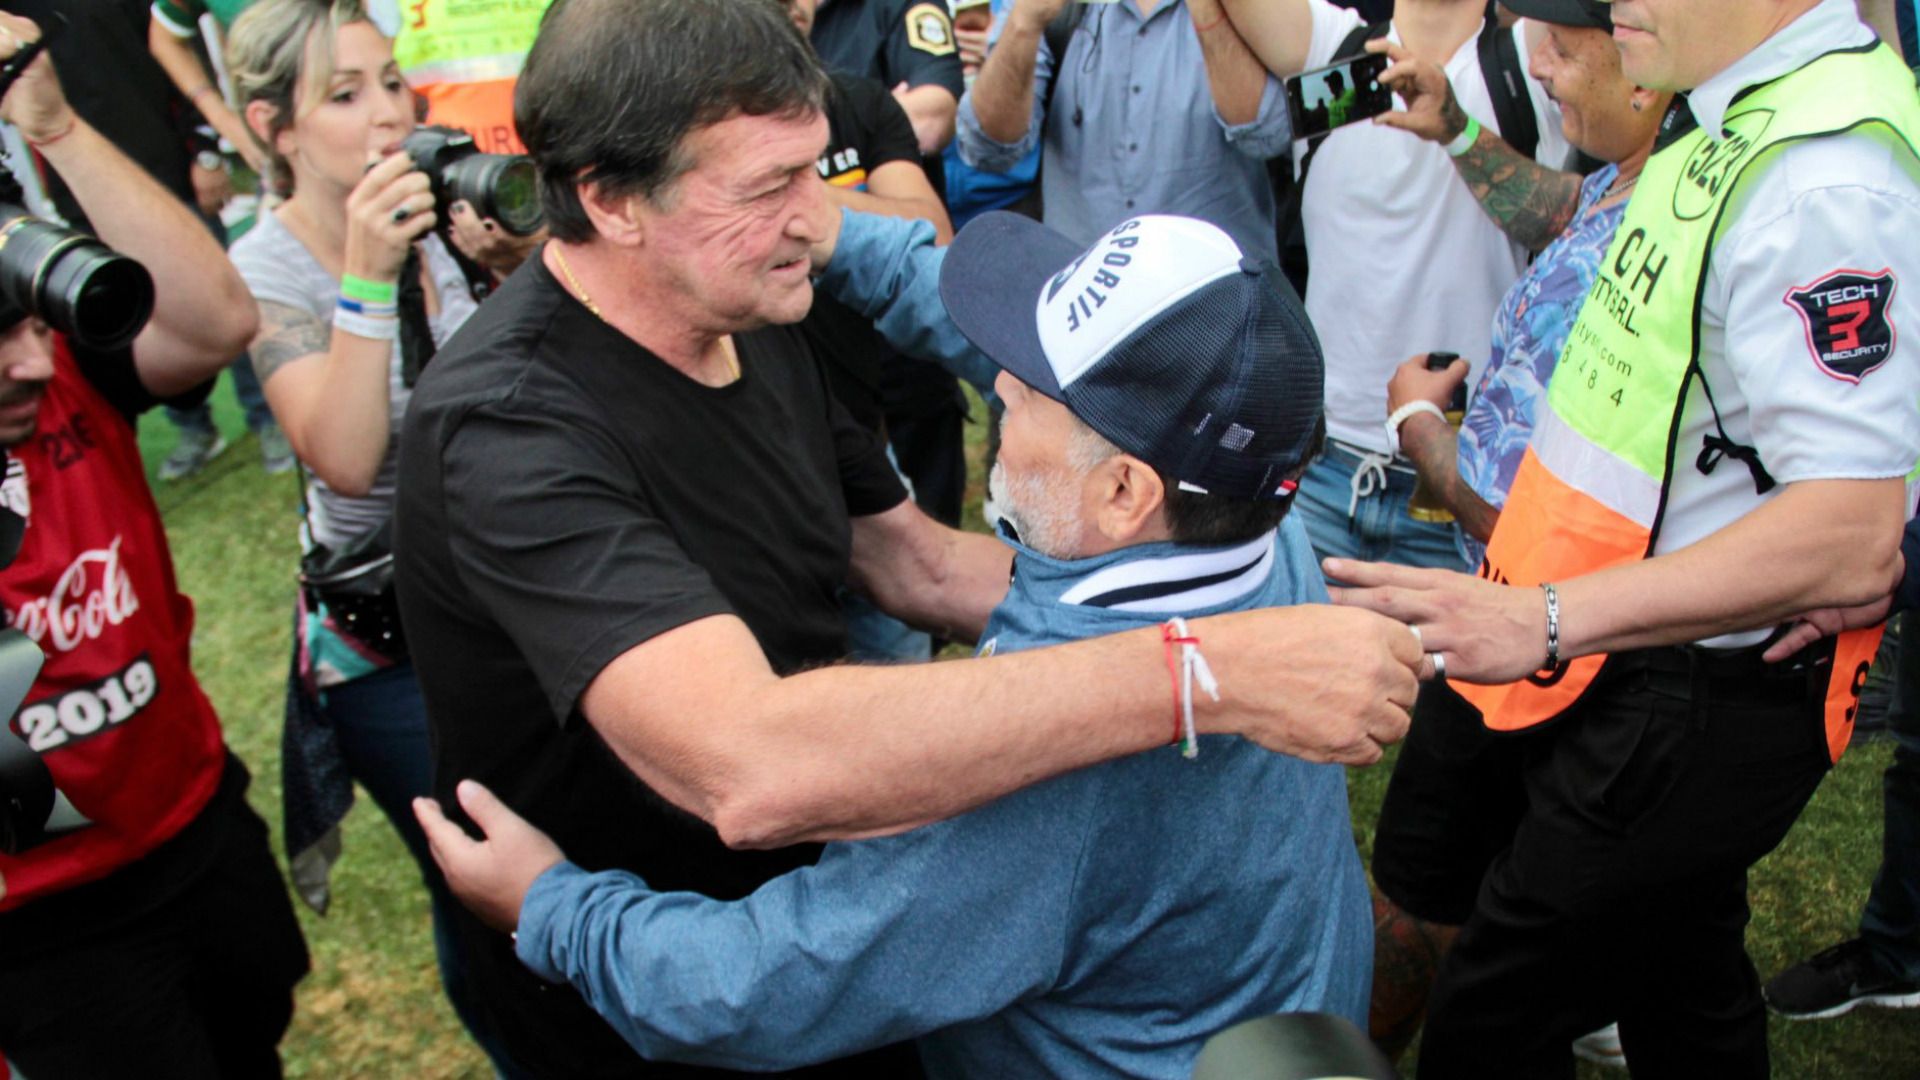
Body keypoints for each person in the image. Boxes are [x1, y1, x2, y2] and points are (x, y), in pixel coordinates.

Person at [391, 1, 1421, 1075]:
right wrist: (1207, 670)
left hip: (734, 949)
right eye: (769, 185)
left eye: (811, 172)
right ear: (609, 200)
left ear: (1124, 492)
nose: (814, 216)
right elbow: (819, 676)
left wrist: (554, 909)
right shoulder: (1258, 531)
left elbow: (761, 979)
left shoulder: (1034, 795)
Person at [1327, 0, 1920, 1074]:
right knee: (1678, 973)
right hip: (1631, 642)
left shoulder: (1823, 171)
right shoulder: (1736, 110)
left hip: (1684, 678)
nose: (1604, 11)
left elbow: (1848, 531)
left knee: (1492, 1013)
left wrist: (1546, 617)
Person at [1327, 0, 1667, 1064]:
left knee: (1435, 898)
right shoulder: (1645, 182)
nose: (1544, 68)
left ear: (1645, 60)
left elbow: (1525, 510)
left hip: (1528, 628)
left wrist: (1418, 427)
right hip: (1548, 624)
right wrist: (1458, 131)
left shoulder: (1677, 219)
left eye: (1564, 48)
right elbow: (1563, 208)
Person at [0, 13, 309, 1076]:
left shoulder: (65, 383)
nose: (33, 364)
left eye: (31, 323)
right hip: (45, 920)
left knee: (255, 1039)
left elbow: (216, 323)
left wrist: (54, 123)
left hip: (191, 827)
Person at [221, 0, 524, 1070]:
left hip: (511, 594)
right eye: (345, 95)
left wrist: (512, 264)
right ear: (275, 128)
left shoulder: (445, 207)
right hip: (389, 642)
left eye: (392, 81)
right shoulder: (266, 268)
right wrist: (364, 277)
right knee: (479, 881)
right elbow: (345, 458)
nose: (389, 113)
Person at [1216, 0, 1567, 572]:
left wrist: (1458, 128)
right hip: (1317, 470)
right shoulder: (1333, 47)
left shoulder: (1532, 58)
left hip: (1465, 484)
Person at [959, 0, 1289, 263]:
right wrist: (1024, 22)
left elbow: (1270, 135)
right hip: (1084, 307)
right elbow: (986, 149)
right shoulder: (1067, 12)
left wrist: (1210, 15)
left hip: (1218, 306)